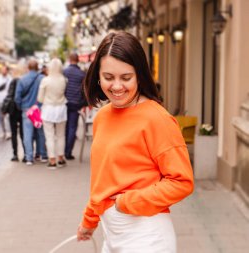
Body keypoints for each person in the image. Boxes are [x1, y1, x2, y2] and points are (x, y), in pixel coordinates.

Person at [76, 31, 194, 252]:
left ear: (139, 75)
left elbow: (182, 182)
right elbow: (101, 181)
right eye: (109, 77)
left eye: (126, 77)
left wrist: (126, 203)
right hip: (111, 236)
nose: (117, 86)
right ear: (98, 76)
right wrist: (89, 221)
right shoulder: (102, 116)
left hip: (147, 236)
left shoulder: (157, 118)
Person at [14, 59, 48, 165]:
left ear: (28, 67)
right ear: (37, 67)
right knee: (40, 133)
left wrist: (21, 107)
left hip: (27, 109)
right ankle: (43, 155)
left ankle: (29, 158)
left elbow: (17, 97)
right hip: (39, 109)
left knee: (27, 134)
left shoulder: (22, 79)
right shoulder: (42, 78)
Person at [37, 58, 67, 169]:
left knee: (49, 136)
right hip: (61, 108)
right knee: (60, 135)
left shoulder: (45, 80)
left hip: (48, 108)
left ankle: (52, 160)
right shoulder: (64, 79)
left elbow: (39, 98)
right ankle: (61, 158)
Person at [63, 53, 86, 160]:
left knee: (64, 127)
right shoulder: (82, 74)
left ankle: (62, 151)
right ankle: (68, 152)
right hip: (76, 104)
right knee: (72, 128)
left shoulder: (64, 72)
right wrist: (83, 103)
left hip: (64, 103)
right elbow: (85, 90)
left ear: (69, 59)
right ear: (78, 60)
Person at [2, 64, 26, 162]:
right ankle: (25, 154)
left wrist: (4, 109)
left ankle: (15, 154)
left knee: (14, 133)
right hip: (22, 109)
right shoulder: (24, 81)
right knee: (23, 133)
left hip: (13, 110)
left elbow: (9, 95)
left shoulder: (13, 81)